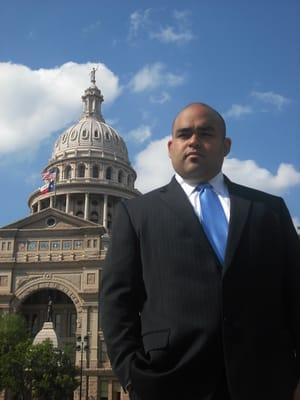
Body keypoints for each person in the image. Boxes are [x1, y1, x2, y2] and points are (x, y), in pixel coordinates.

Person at [101, 103, 300, 400]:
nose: (194, 141)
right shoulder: (135, 213)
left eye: (206, 133)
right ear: (170, 147)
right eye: (184, 134)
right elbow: (117, 303)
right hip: (170, 382)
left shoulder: (269, 209)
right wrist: (133, 377)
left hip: (268, 380)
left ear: (226, 146)